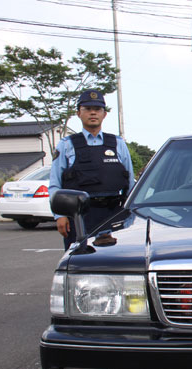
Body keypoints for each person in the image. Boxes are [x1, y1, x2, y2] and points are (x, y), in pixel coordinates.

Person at [49, 89, 135, 250]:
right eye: (88, 109)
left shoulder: (117, 143)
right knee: (78, 262)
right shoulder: (67, 145)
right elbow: (55, 184)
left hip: (113, 214)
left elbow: (130, 182)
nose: (93, 113)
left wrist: (131, 214)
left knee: (116, 263)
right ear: (79, 113)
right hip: (79, 216)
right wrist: (59, 216)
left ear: (104, 114)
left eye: (97, 109)